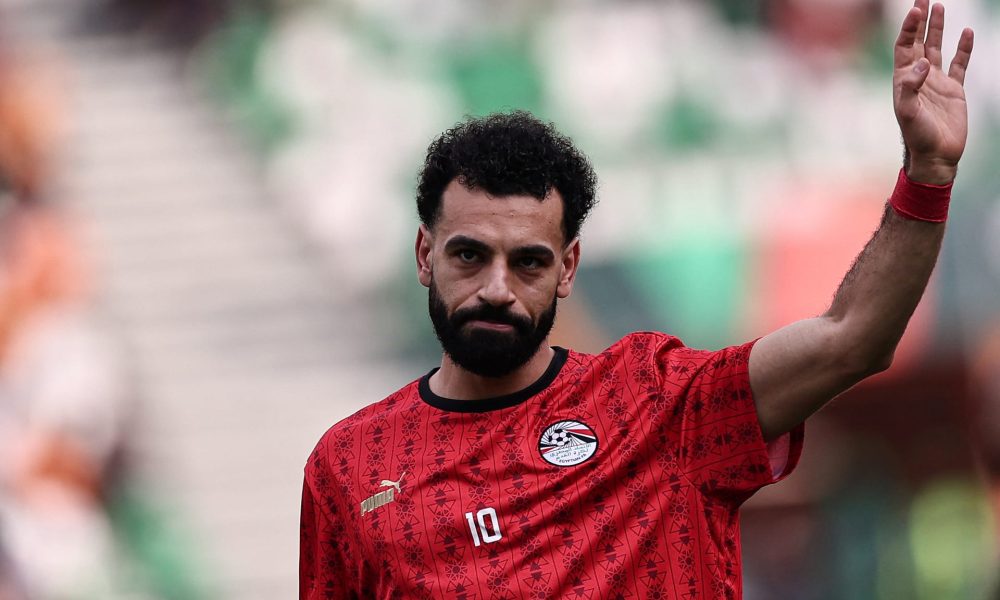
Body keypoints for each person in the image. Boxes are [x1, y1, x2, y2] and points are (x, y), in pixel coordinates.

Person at [300, 1, 974, 597]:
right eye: (469, 255)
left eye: (529, 261)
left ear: (568, 269)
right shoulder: (352, 466)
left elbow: (853, 337)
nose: (497, 288)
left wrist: (927, 176)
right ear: (425, 255)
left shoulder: (658, 405)